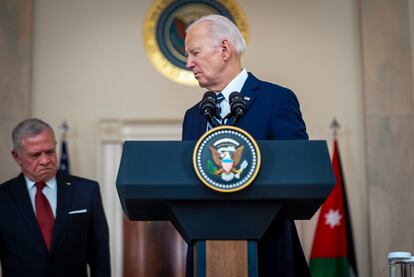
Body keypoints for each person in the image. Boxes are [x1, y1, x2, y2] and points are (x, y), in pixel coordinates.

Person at [182, 15, 310, 276]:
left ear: (225, 49)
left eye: (194, 52)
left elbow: (299, 169)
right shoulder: (193, 116)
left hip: (269, 249)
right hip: (205, 252)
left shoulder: (276, 100)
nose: (188, 63)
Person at [0, 118, 110, 277]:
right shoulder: (3, 198)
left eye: (50, 152)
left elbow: (100, 258)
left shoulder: (86, 191)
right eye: (35, 155)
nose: (45, 161)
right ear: (17, 157)